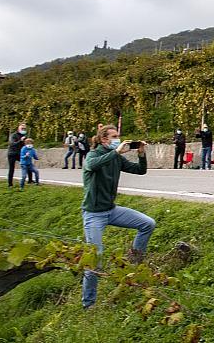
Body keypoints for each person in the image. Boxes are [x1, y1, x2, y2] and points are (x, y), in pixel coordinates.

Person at [81, 124, 154, 309]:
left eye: (119, 136)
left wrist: (141, 153)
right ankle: (88, 305)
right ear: (104, 139)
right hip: (94, 215)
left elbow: (140, 170)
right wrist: (116, 153)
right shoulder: (94, 155)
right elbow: (91, 165)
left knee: (148, 224)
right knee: (95, 258)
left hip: (111, 210)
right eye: (114, 136)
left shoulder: (116, 158)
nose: (118, 139)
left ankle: (133, 265)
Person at [7, 123, 32, 188]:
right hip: (12, 153)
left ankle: (30, 180)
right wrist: (20, 140)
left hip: (20, 153)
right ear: (18, 129)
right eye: (22, 128)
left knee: (28, 164)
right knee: (11, 168)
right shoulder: (13, 135)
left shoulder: (25, 136)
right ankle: (10, 184)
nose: (23, 130)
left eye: (24, 129)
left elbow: (26, 145)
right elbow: (12, 144)